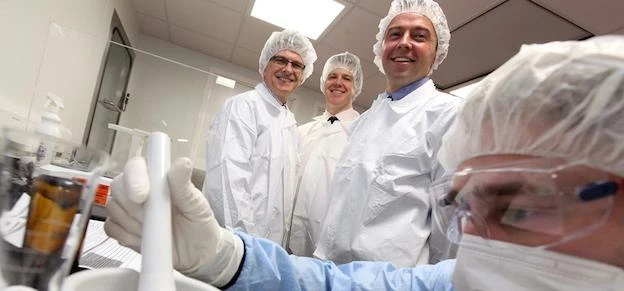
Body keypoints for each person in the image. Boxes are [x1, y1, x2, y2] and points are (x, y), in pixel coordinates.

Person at [105, 35, 624, 290]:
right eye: (465, 210)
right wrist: (224, 254)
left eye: (519, 208)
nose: (480, 247)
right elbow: (346, 284)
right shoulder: (453, 281)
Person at [314, 0, 461, 267]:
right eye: (395, 34)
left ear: (437, 51)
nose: (404, 42)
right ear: (382, 46)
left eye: (419, 36)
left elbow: (451, 231)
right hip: (332, 272)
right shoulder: (364, 121)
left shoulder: (449, 116)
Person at [202, 30, 317, 246]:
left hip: (267, 248)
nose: (288, 69)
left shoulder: (289, 123)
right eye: (280, 60)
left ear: (303, 75)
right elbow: (228, 181)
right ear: (265, 66)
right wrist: (246, 246)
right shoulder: (244, 107)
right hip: (235, 245)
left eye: (296, 64)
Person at [286, 52, 363, 256]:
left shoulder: (361, 137)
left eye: (347, 78)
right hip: (285, 243)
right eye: (332, 76)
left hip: (327, 251)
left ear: (356, 87)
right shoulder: (303, 132)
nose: (338, 83)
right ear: (323, 82)